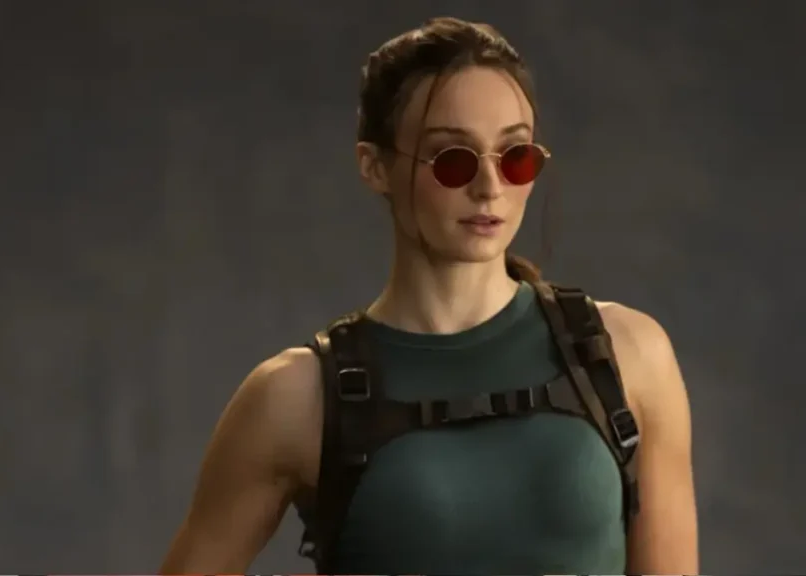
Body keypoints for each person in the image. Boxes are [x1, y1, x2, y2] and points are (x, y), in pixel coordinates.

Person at [160, 16, 698, 575]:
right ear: (375, 167)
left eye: (515, 156)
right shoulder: (296, 399)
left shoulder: (628, 356)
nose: (490, 187)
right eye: (453, 159)